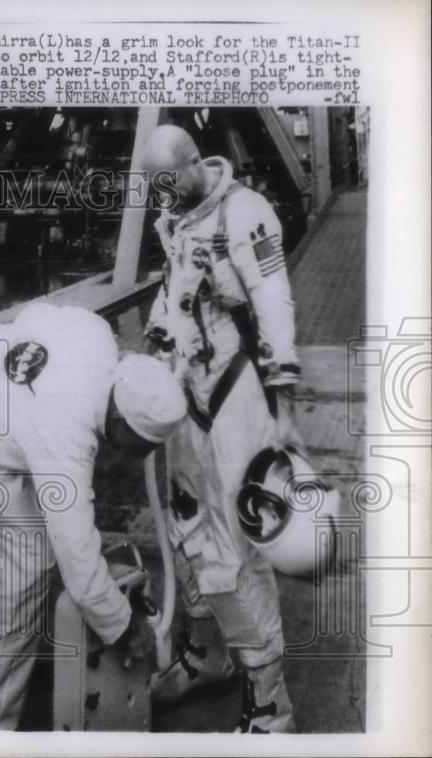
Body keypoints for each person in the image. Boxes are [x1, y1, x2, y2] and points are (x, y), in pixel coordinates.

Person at [0, 302, 187, 731]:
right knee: (32, 563)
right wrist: (126, 627)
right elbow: (79, 563)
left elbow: (28, 316)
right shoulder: (68, 437)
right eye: (138, 447)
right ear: (119, 421)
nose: (136, 458)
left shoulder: (96, 335)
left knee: (5, 567)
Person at [140, 124, 301, 733]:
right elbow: (172, 289)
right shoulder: (176, 211)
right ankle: (209, 654)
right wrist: (153, 353)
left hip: (236, 390)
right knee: (188, 520)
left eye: (166, 180)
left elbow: (273, 298)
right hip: (188, 387)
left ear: (188, 166)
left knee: (241, 537)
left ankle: (271, 703)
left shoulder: (245, 211)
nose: (160, 193)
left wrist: (284, 390)